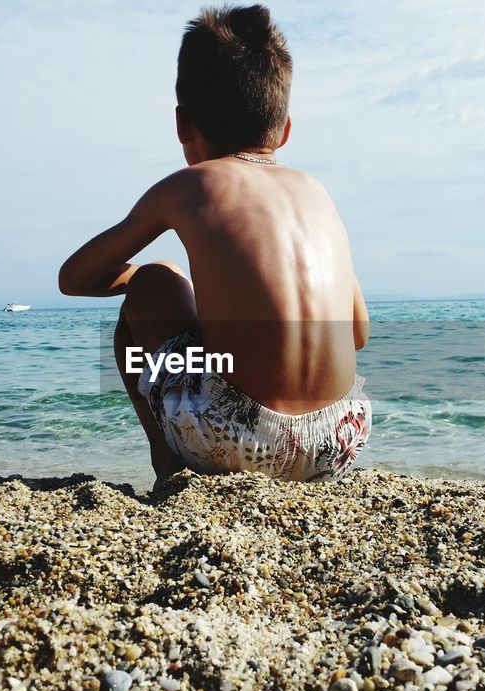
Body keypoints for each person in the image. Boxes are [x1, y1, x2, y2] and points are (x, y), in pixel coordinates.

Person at [58, 4, 370, 487]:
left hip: (233, 438)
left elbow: (72, 279)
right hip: (340, 438)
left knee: (155, 281)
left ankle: (167, 463)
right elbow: (359, 332)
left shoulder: (190, 185)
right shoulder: (317, 191)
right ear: (285, 130)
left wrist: (140, 277)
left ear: (183, 125)